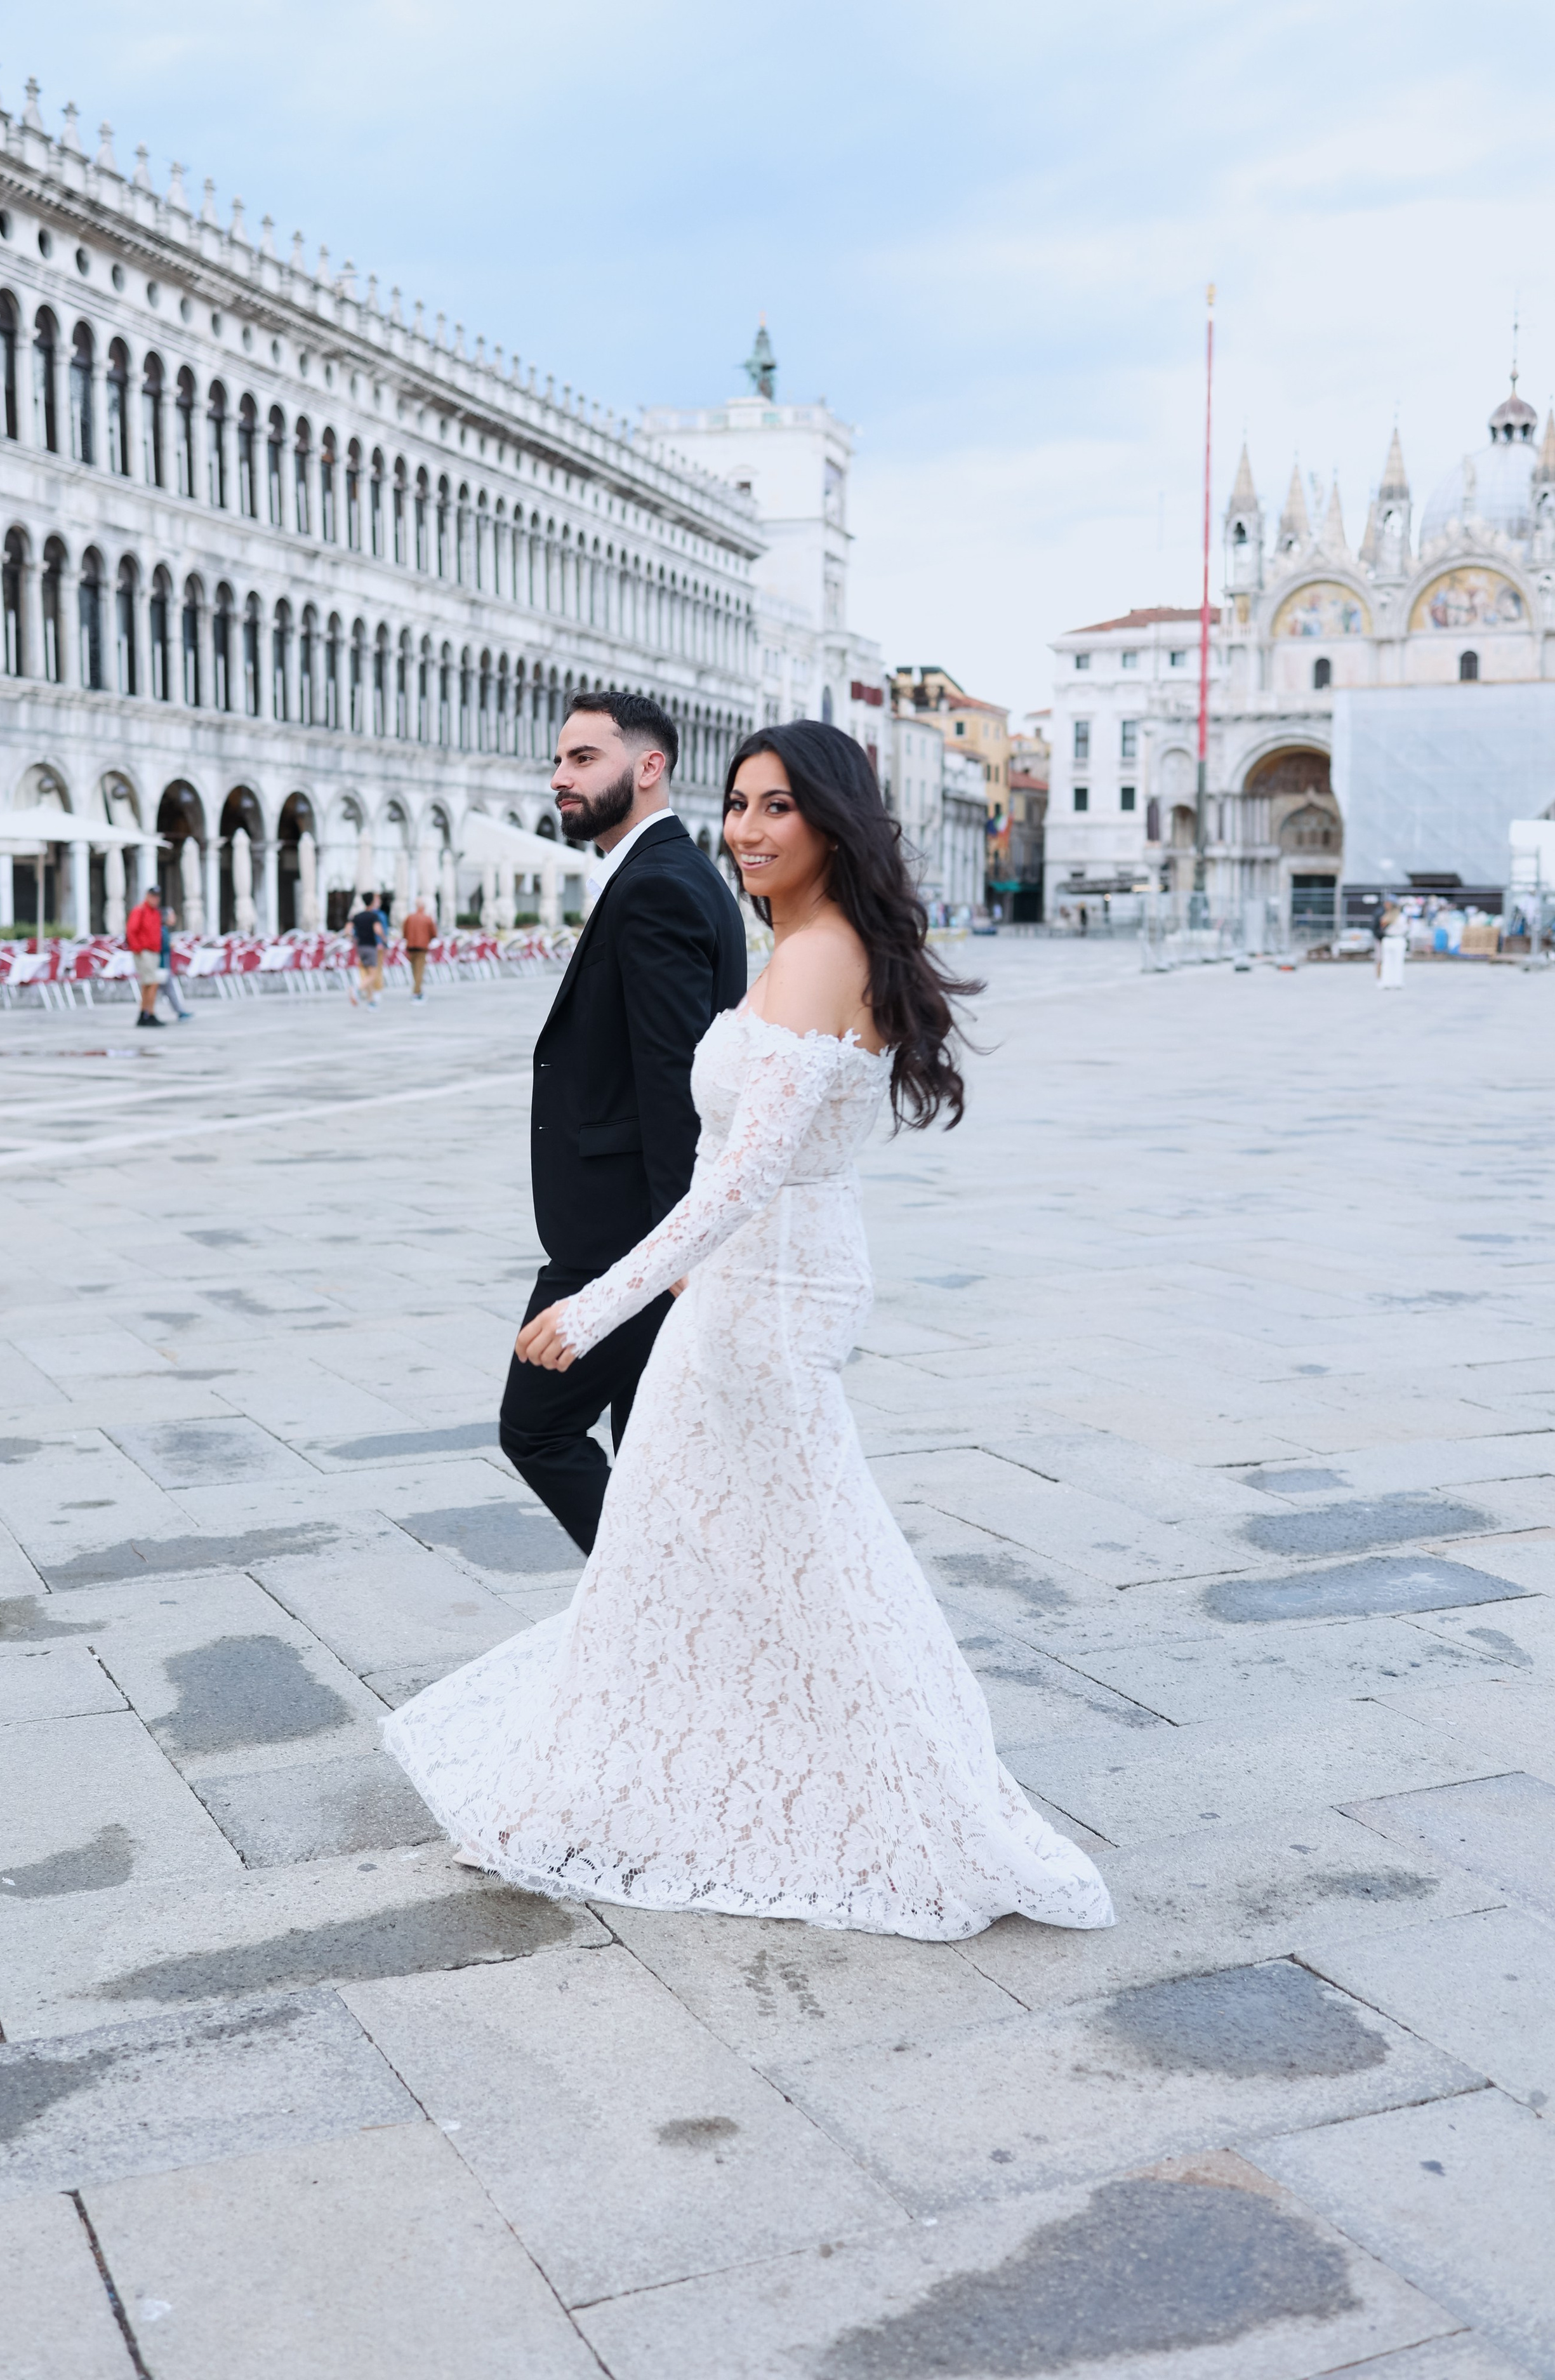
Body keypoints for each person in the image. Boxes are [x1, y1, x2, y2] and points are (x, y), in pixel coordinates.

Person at [384, 721, 1114, 1944]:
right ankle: (709, 1743)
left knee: (812, 1553)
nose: (747, 829)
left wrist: (599, 1301)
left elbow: (743, 1176)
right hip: (746, 1285)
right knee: (709, 1539)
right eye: (738, 805)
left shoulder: (825, 955)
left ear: (833, 820)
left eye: (776, 807)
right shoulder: (800, 944)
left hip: (770, 1293)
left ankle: (916, 1794)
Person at [496, 689, 746, 1553]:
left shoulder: (658, 889)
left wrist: (675, 1256)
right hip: (644, 1237)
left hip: (626, 1244)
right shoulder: (667, 874)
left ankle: (656, 1602)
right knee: (649, 1453)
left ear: (650, 768)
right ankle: (666, 1636)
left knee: (538, 1428)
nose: (559, 778)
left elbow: (678, 1083)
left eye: (583, 759)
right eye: (559, 760)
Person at [126, 887, 164, 1029]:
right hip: (144, 952)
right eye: (153, 896)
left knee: (148, 984)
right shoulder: (140, 910)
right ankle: (151, 1013)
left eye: (157, 896)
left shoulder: (156, 913)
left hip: (154, 952)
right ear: (147, 896)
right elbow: (132, 931)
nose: (156, 899)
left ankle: (144, 1014)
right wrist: (138, 949)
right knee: (153, 982)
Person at [348, 891, 388, 1006]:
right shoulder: (374, 916)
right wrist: (384, 941)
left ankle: (371, 1001)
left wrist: (353, 938)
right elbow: (378, 930)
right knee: (373, 974)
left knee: (366, 973)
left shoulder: (357, 916)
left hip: (360, 947)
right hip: (371, 947)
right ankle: (357, 990)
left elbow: (348, 930)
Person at [159, 907, 192, 1021]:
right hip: (161, 966)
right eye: (172, 916)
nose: (174, 918)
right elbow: (161, 947)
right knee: (164, 990)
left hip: (163, 965)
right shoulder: (162, 930)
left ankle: (180, 1012)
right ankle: (147, 1013)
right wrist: (170, 945)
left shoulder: (164, 930)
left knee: (166, 990)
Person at [402, 894, 436, 1002]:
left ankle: (418, 990)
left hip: (411, 946)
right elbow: (433, 933)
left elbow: (404, 932)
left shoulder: (410, 917)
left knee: (414, 969)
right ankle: (417, 992)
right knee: (420, 970)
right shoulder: (427, 918)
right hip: (422, 947)